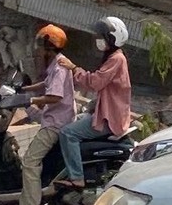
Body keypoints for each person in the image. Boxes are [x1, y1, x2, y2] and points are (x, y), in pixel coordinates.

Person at [55, 16, 133, 189]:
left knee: (68, 133)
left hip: (109, 119)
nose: (98, 40)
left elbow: (95, 82)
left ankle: (76, 177)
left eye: (101, 36)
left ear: (112, 38)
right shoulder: (114, 57)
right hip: (108, 114)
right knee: (75, 120)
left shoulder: (117, 59)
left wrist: (73, 68)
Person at [18, 25, 76, 205]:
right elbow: (46, 83)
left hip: (55, 123)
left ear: (49, 47)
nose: (38, 50)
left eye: (41, 46)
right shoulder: (58, 62)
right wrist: (25, 89)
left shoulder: (59, 67)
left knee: (29, 162)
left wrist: (31, 100)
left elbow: (55, 96)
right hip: (58, 118)